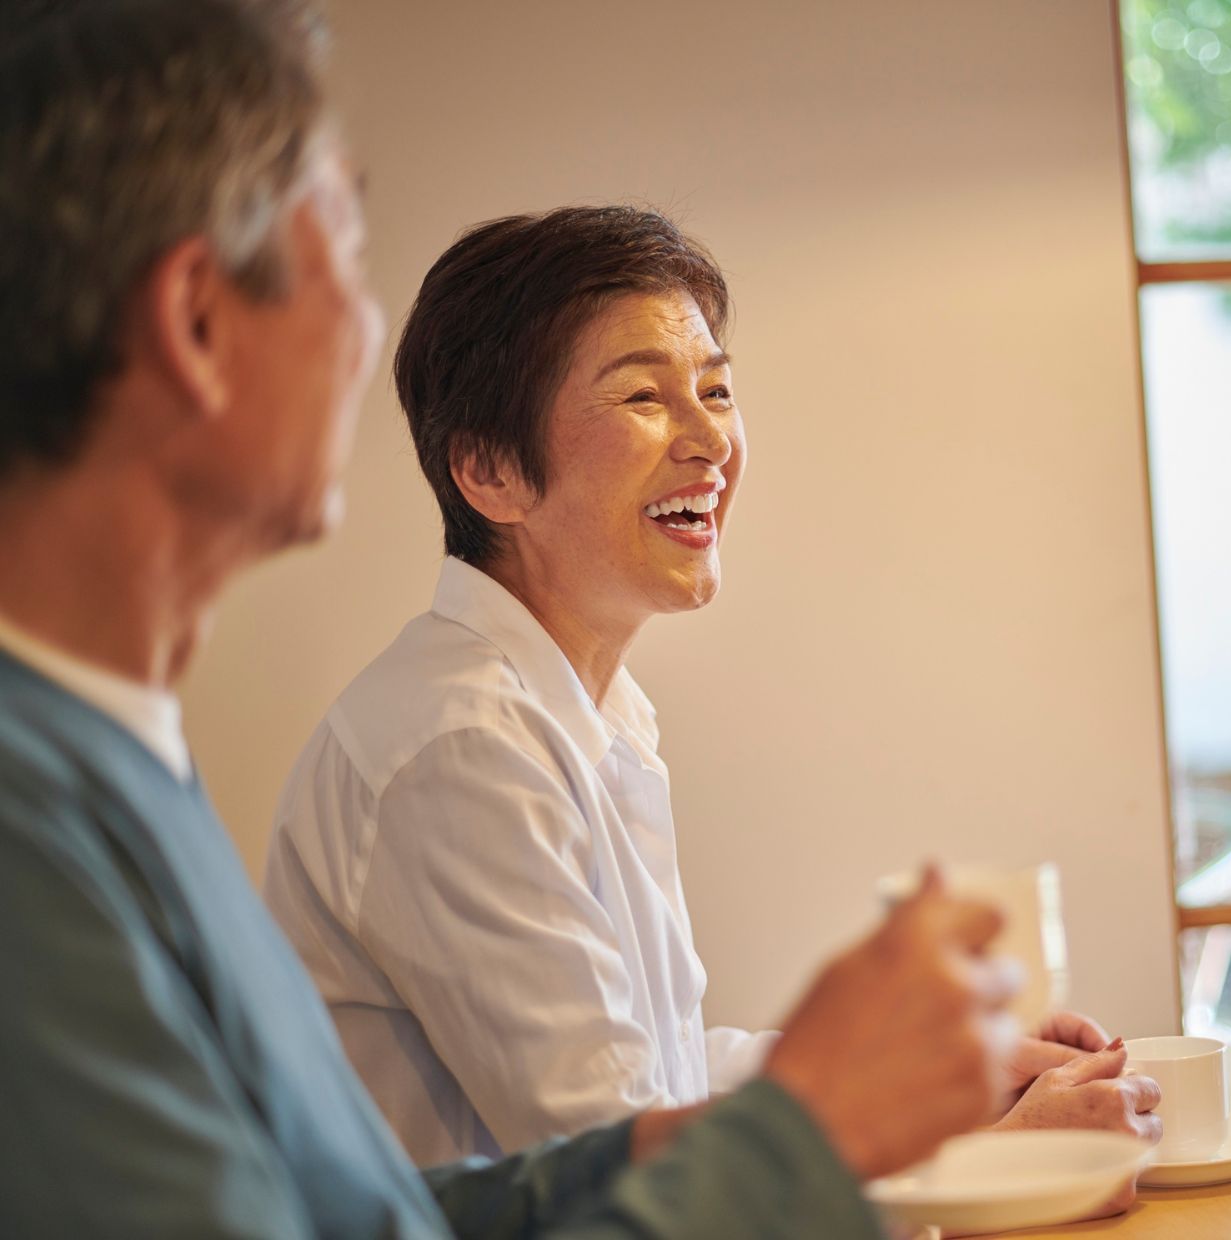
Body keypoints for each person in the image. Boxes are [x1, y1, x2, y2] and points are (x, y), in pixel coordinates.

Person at [0, 2, 1024, 1235]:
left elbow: (360, 1209)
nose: (371, 328)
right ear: (198, 321)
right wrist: (813, 1124)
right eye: (342, 233)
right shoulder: (36, 825)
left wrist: (875, 1087)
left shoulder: (118, 760)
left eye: (713, 389)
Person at [264, 204, 1166, 1164]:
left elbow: (665, 1071)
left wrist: (958, 1083)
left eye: (717, 391)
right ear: (489, 470)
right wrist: (1005, 1154)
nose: (709, 442)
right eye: (644, 399)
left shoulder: (576, 708)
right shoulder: (461, 747)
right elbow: (618, 1164)